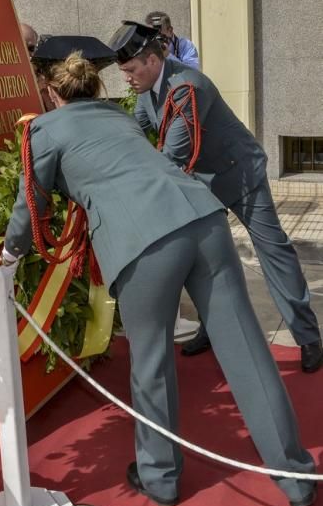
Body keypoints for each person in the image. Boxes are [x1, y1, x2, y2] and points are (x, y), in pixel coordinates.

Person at [0, 52, 316, 506]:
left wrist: (10, 253)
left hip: (143, 243)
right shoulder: (122, 118)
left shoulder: (43, 130)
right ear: (96, 88)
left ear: (51, 93)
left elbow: (31, 201)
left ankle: (161, 478)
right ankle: (296, 475)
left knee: (151, 365)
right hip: (204, 220)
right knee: (247, 351)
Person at [113, 20, 322, 372]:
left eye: (131, 70)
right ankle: (211, 328)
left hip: (240, 175)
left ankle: (308, 335)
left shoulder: (188, 86)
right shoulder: (147, 88)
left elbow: (172, 156)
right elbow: (136, 129)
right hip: (202, 180)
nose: (127, 79)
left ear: (152, 60)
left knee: (273, 251)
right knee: (203, 259)